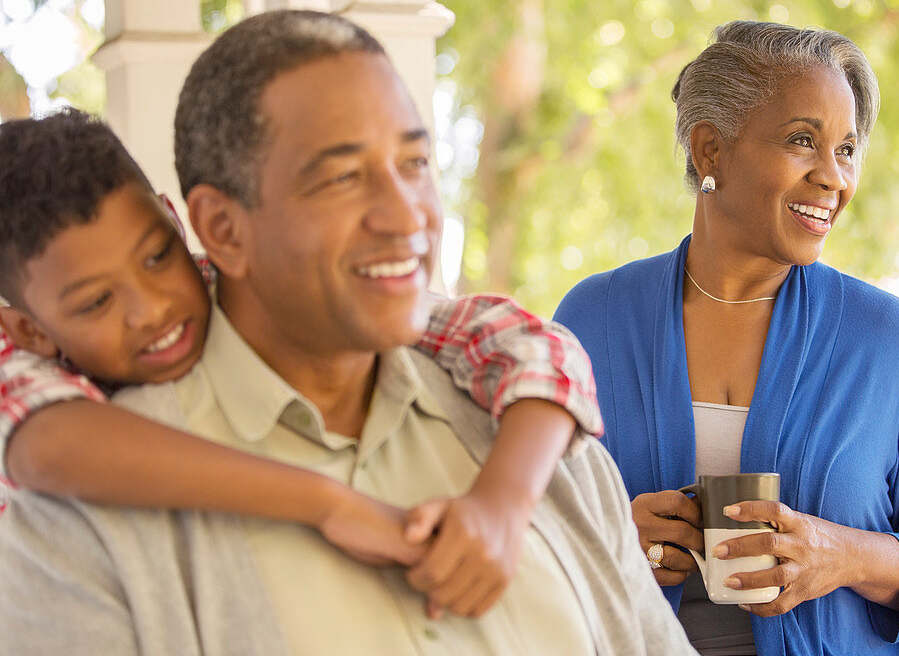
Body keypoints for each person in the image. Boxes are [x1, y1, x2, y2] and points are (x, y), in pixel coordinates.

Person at [0, 10, 734, 656]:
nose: (407, 214)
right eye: (342, 177)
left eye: (415, 160)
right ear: (220, 228)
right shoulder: (76, 527)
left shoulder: (529, 423)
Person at [0, 108, 604, 619]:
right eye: (97, 302)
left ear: (174, 217)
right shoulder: (24, 370)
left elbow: (531, 345)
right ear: (28, 328)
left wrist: (501, 504)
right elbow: (47, 445)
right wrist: (331, 503)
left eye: (157, 255)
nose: (151, 307)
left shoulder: (231, 287)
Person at [555, 20, 899, 656]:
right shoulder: (592, 321)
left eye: (847, 149)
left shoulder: (889, 340)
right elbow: (525, 522)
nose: (834, 177)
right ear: (711, 150)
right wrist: (612, 534)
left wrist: (840, 555)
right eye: (803, 140)